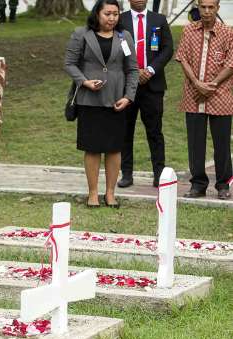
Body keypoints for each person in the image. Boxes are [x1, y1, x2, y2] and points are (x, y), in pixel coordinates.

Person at [64, 0, 138, 208]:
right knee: (93, 148)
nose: (112, 18)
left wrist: (128, 96)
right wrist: (84, 81)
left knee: (114, 149)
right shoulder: (81, 34)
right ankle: (93, 193)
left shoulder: (125, 37)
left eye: (115, 14)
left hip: (117, 101)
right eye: (107, 14)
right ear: (97, 13)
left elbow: (132, 69)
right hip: (90, 101)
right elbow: (69, 64)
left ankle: (111, 193)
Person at [175, 0, 233, 200]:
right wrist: (197, 83)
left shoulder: (228, 32)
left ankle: (223, 184)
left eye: (211, 7)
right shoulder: (189, 30)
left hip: (221, 96)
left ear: (217, 8)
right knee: (195, 142)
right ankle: (198, 185)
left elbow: (231, 63)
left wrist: (211, 85)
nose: (207, 11)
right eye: (203, 7)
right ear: (198, 8)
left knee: (222, 143)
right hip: (193, 95)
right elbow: (183, 58)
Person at [117, 0, 173, 189]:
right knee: (125, 131)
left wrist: (149, 70)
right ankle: (126, 174)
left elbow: (167, 49)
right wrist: (134, 71)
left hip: (153, 85)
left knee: (155, 132)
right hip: (127, 86)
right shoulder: (120, 20)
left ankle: (159, 175)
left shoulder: (159, 19)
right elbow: (117, 49)